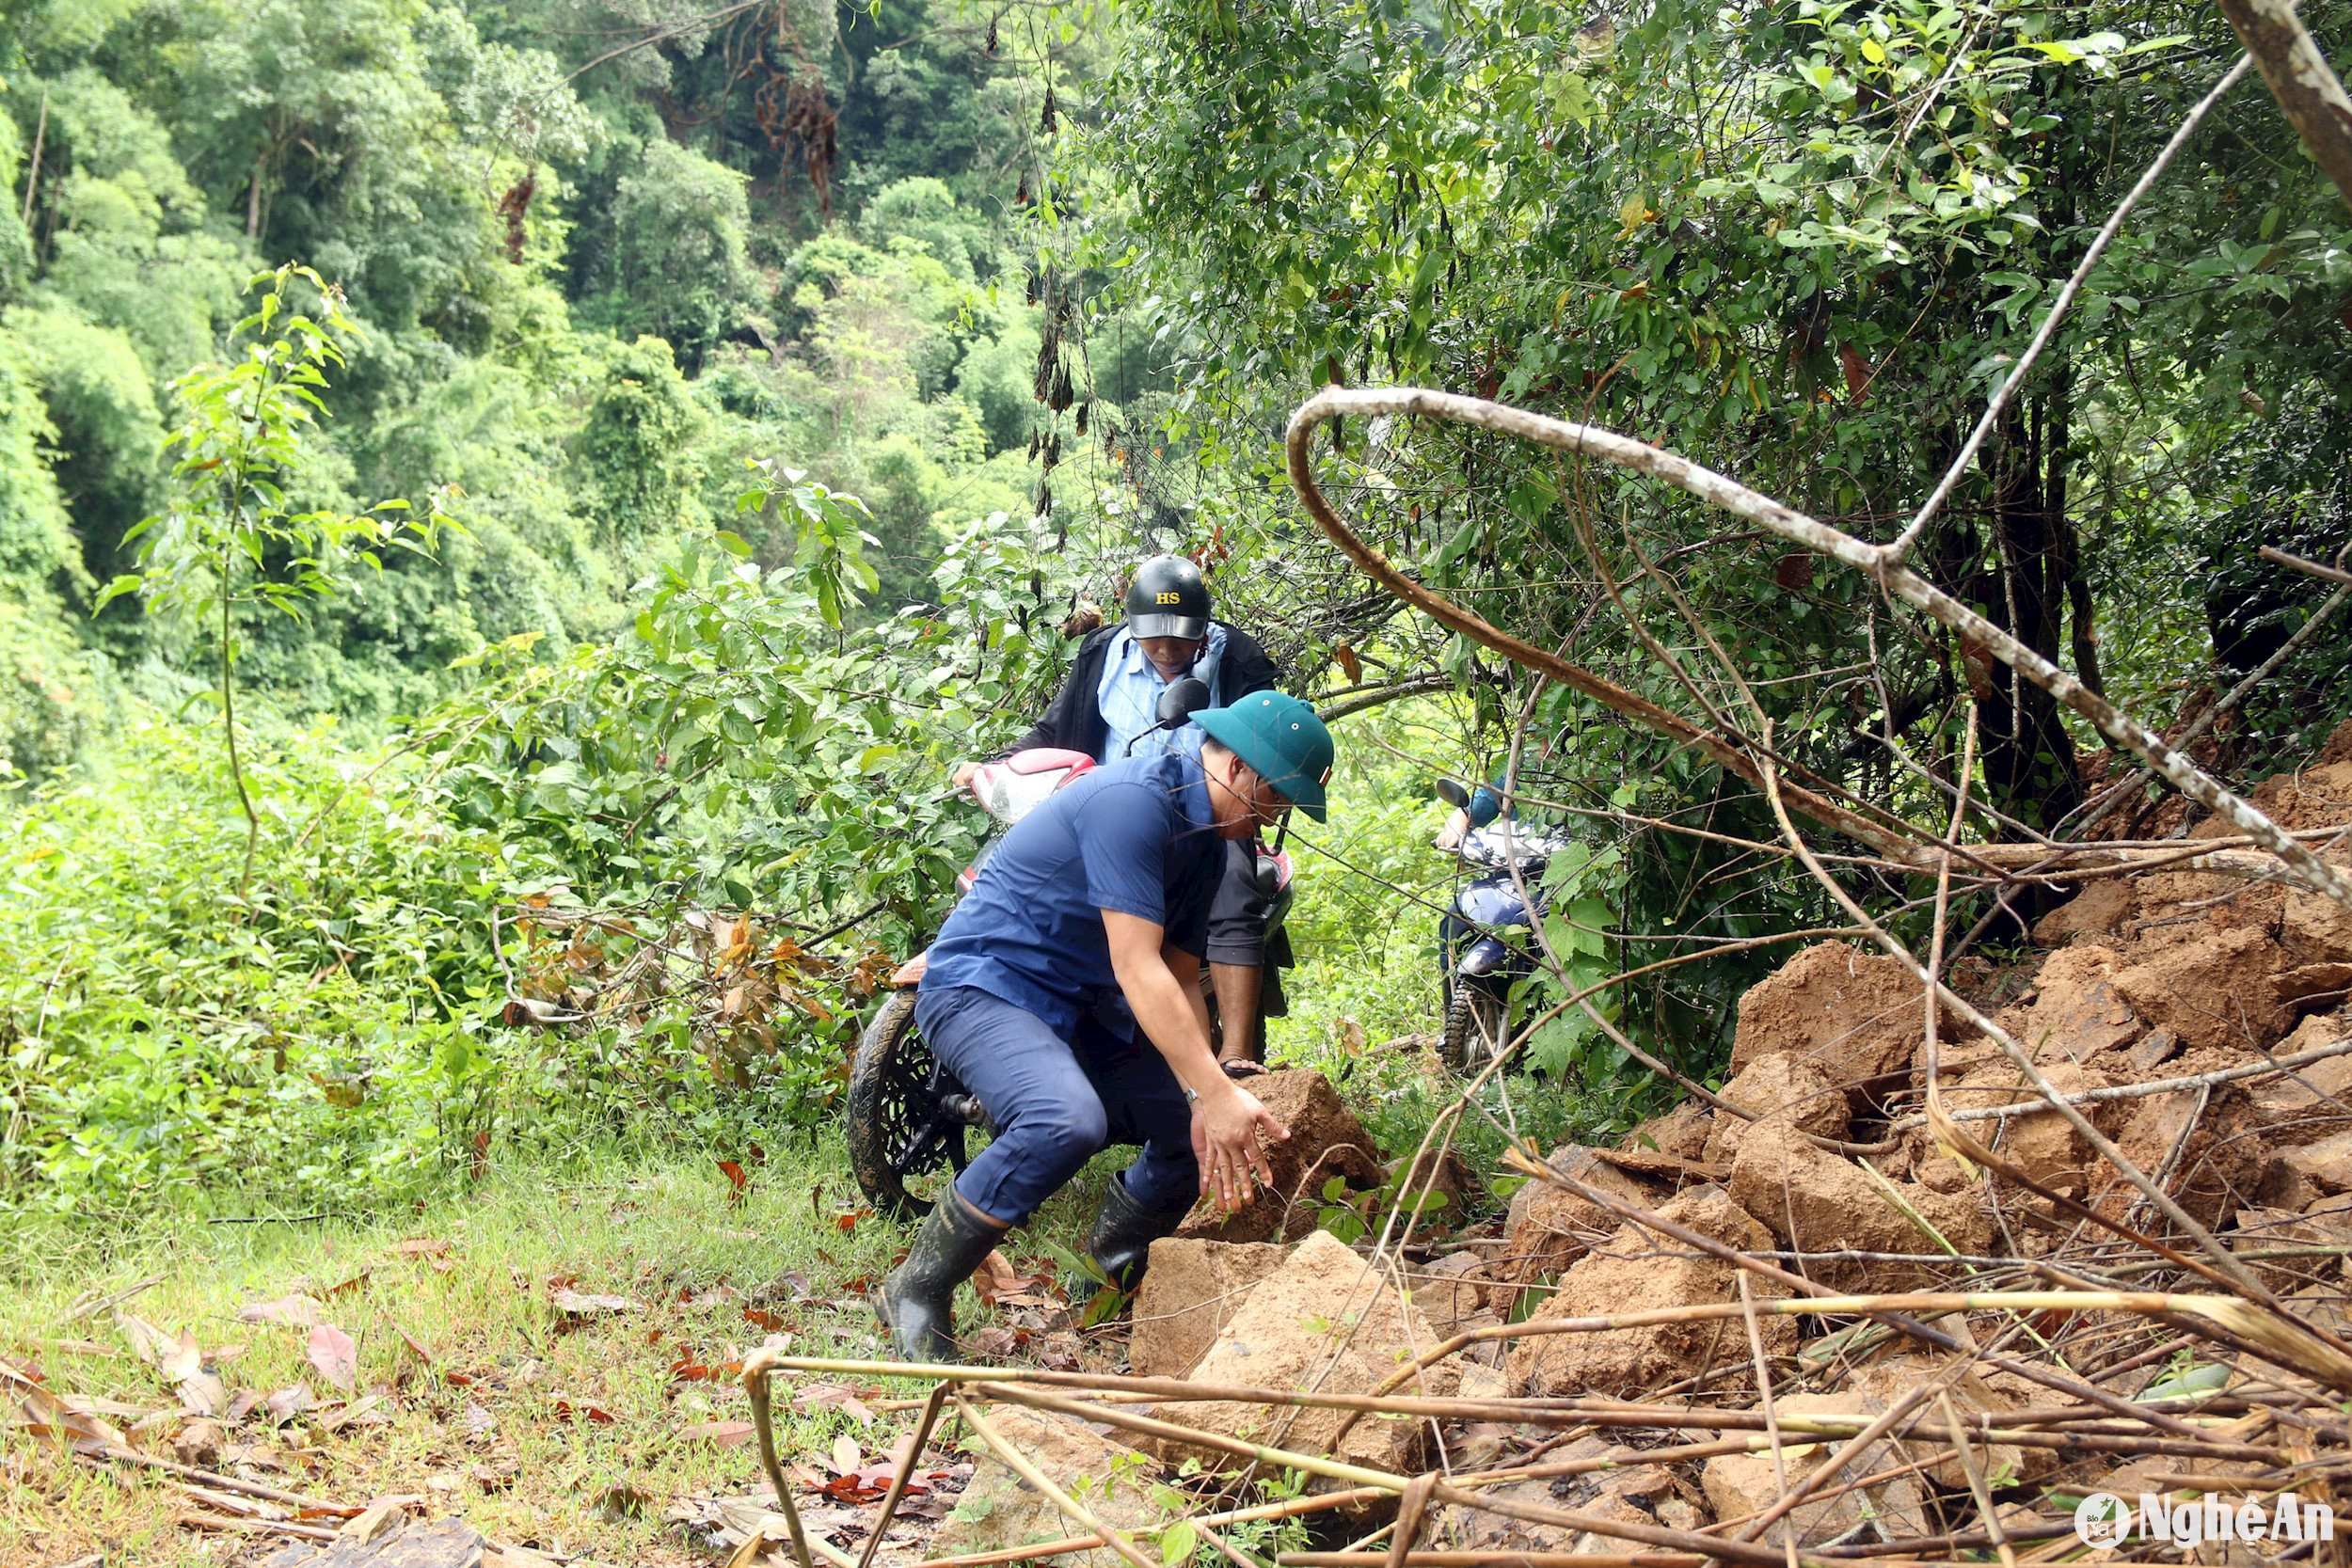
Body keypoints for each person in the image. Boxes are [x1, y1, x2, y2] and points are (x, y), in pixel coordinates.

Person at [882, 692, 1337, 1362]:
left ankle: (1104, 1276)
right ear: (1239, 767)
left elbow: (1180, 975)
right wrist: (1213, 1091)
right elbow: (1137, 965)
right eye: (1276, 797)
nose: (1276, 816)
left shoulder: (1208, 846)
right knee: (1063, 1120)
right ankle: (917, 1288)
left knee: (1189, 1131)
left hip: (1080, 1009)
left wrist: (1202, 1093)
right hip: (985, 986)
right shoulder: (1135, 802)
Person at [953, 555, 1290, 1076]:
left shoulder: (1238, 659)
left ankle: (1236, 1057)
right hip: (1111, 811)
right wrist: (995, 763)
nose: (1166, 650)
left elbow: (1266, 747)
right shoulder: (1102, 653)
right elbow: (1057, 726)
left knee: (1231, 889)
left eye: (1180, 639)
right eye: (1153, 638)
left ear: (1203, 629)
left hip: (1207, 815)